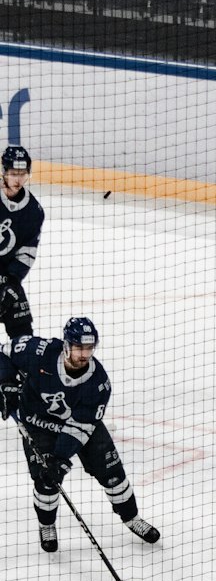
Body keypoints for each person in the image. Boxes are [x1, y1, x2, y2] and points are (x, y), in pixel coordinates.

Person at [0, 316, 160, 555]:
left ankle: (131, 518)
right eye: (79, 347)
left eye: (89, 348)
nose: (84, 354)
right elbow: (4, 353)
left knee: (113, 474)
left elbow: (81, 427)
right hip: (38, 423)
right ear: (66, 345)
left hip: (78, 428)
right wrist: (6, 384)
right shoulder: (39, 351)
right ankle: (47, 525)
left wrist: (60, 458)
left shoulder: (98, 383)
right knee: (46, 482)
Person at [0, 145, 43, 341]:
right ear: (3, 172)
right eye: (13, 173)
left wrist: (12, 282)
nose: (18, 180)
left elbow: (26, 253)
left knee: (24, 337)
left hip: (7, 278)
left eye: (23, 173)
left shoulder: (33, 211)